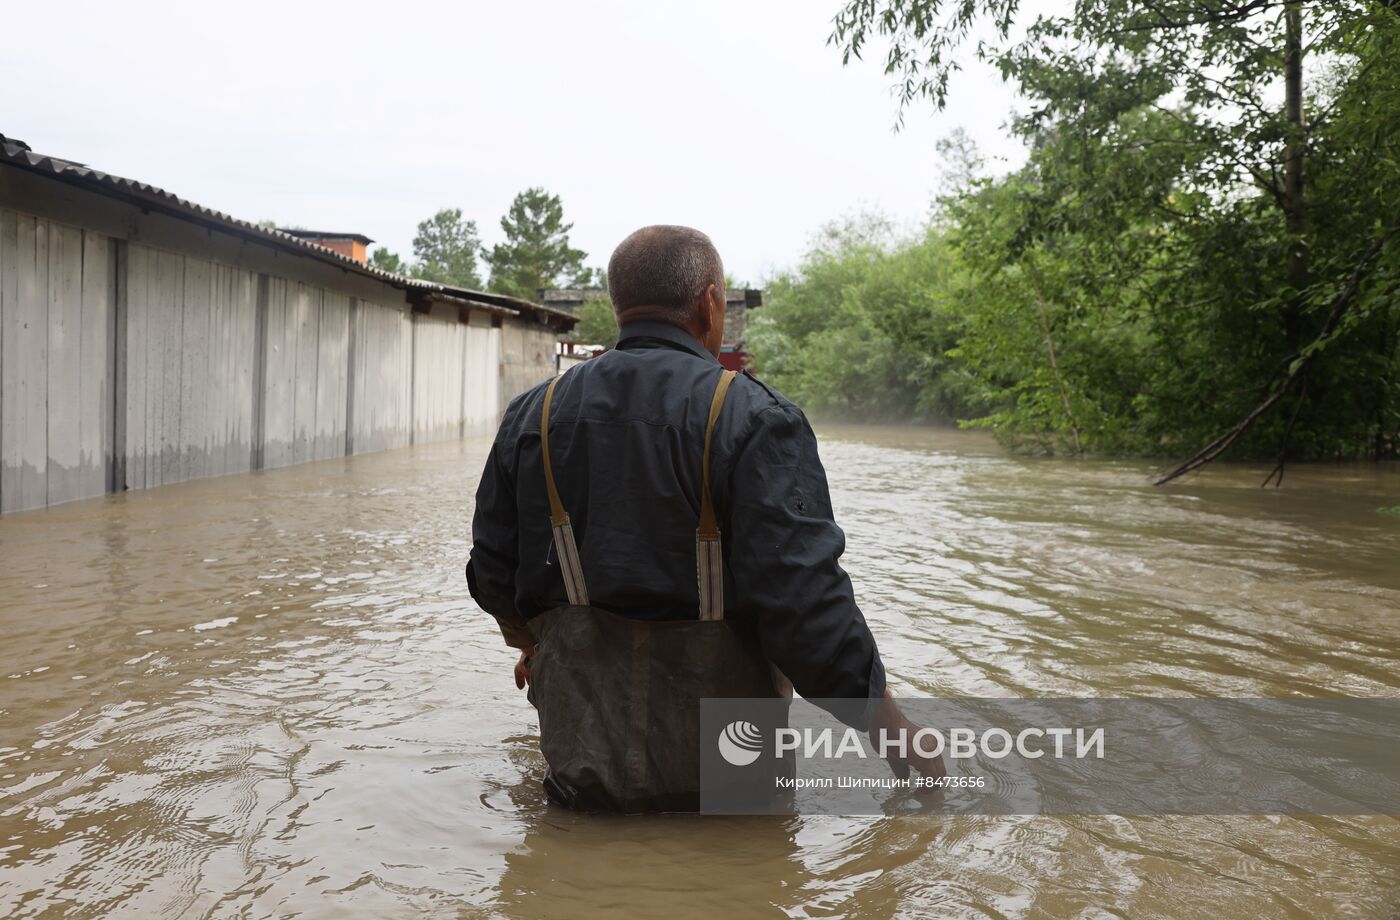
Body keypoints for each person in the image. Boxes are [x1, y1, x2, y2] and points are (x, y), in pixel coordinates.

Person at [466, 225, 941, 811]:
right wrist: (896, 736)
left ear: (619, 308)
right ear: (710, 303)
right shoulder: (753, 416)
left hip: (583, 771)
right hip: (732, 782)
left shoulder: (531, 416)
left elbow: (491, 571)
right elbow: (804, 604)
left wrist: (531, 644)